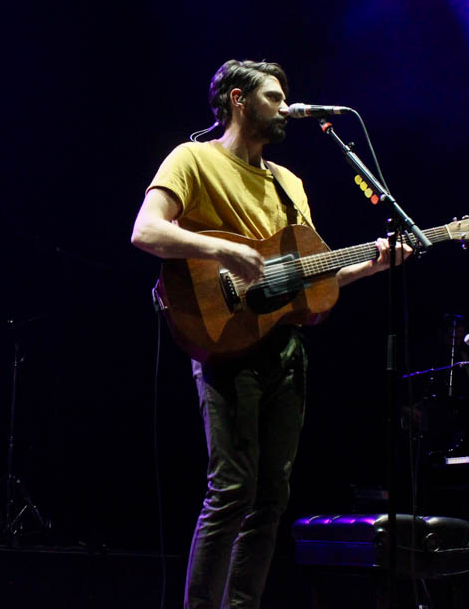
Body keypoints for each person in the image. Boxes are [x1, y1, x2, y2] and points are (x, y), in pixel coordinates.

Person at [130, 59, 408, 609]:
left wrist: (370, 266)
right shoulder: (193, 159)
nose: (285, 108)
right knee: (232, 490)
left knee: (272, 498)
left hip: (284, 349)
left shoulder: (290, 184)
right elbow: (146, 231)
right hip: (224, 342)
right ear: (238, 100)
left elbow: (302, 280)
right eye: (274, 98)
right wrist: (222, 248)